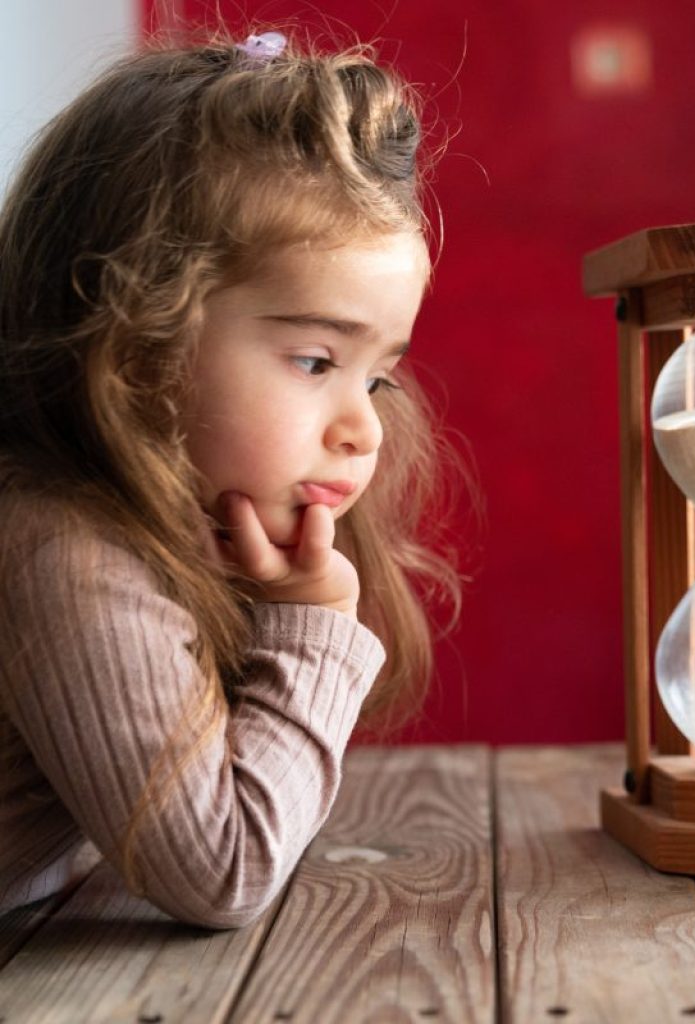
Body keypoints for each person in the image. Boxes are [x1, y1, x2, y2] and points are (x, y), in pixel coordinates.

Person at [0, 30, 466, 928]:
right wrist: (315, 622)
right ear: (136, 340)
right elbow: (223, 869)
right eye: (313, 360)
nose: (362, 426)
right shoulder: (63, 550)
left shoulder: (161, 527)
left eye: (375, 376)